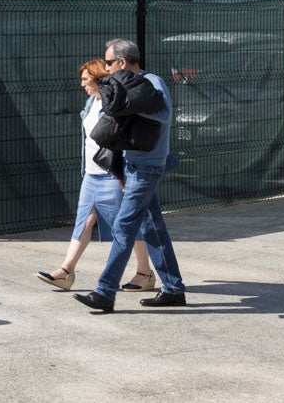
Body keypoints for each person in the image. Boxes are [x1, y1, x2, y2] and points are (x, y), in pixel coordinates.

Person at [76, 39, 187, 313]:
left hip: (146, 167)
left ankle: (104, 292)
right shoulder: (123, 85)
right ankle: (173, 289)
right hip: (133, 166)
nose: (107, 68)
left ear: (122, 62)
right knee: (152, 228)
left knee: (123, 227)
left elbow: (162, 115)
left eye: (109, 63)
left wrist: (131, 106)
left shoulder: (151, 83)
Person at [36, 59, 154, 291]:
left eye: (86, 80)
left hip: (112, 175)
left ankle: (145, 273)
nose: (82, 85)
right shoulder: (91, 102)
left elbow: (122, 139)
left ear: (100, 80)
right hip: (91, 174)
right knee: (84, 222)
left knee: (127, 224)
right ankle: (65, 271)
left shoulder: (116, 104)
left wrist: (123, 173)